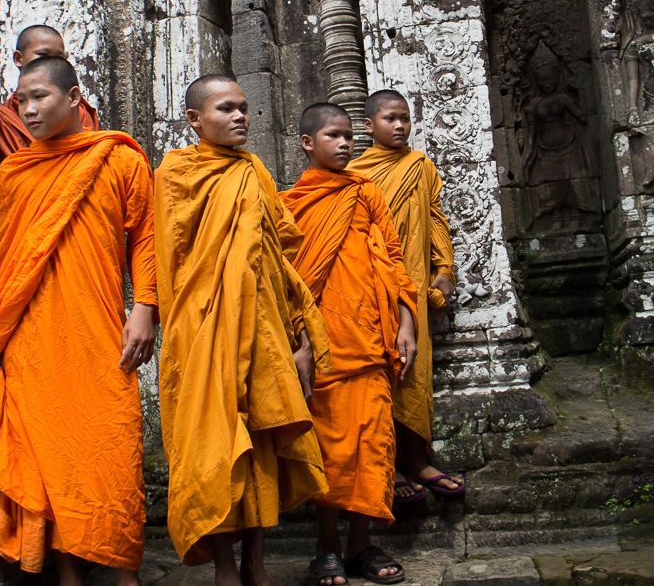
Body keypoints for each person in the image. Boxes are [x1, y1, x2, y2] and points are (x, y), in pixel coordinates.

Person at [0, 56, 156, 586]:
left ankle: (123, 568)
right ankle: (68, 572)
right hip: (31, 332)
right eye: (20, 100)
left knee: (113, 442)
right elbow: (5, 259)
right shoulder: (15, 171)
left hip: (98, 325)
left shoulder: (117, 159)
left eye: (39, 98)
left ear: (74, 99)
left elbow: (144, 236)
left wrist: (145, 308)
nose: (27, 110)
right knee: (50, 452)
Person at [154, 74, 330, 585]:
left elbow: (281, 251)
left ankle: (255, 558)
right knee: (211, 443)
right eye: (226, 108)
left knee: (260, 439)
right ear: (194, 120)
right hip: (203, 326)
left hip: (262, 324)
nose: (240, 117)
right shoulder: (176, 173)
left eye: (244, 108)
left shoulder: (253, 170)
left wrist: (298, 333)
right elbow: (172, 257)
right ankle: (225, 566)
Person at [280, 102, 420, 586]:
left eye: (348, 137)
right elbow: (289, 282)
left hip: (373, 339)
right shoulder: (290, 204)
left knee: (373, 446)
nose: (344, 144)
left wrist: (407, 321)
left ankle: (360, 544)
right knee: (329, 451)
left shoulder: (366, 193)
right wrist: (300, 342)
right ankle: (326, 547)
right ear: (307, 144)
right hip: (323, 347)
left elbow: (395, 258)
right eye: (333, 136)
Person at [348, 90, 465, 502]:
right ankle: (386, 463)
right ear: (369, 126)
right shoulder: (356, 173)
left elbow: (435, 216)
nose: (400, 126)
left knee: (413, 372)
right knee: (379, 369)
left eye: (405, 119)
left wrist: (444, 269)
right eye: (390, 119)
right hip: (370, 282)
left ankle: (416, 458)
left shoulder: (420, 166)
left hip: (412, 280)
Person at [0, 24, 98, 180]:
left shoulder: (80, 113)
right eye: (43, 55)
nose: (29, 110)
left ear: (73, 97)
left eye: (58, 58)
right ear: (19, 58)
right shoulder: (2, 120)